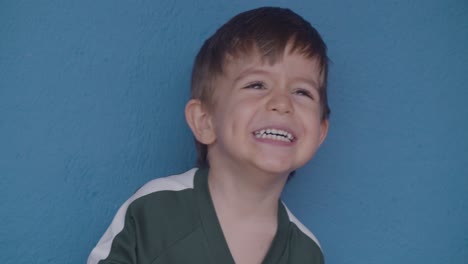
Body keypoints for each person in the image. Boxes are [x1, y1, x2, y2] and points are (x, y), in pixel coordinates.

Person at [88, 6, 330, 264]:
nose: (282, 103)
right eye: (256, 85)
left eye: (302, 92)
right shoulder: (155, 210)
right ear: (205, 121)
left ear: (320, 132)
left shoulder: (307, 253)